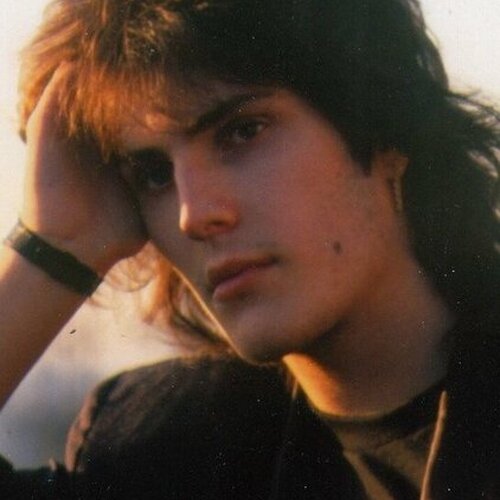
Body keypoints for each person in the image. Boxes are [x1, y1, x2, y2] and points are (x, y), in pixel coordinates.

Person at [0, 0, 499, 498]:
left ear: (384, 125)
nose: (193, 215)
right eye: (154, 174)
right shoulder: (162, 450)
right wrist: (54, 247)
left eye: (242, 132)